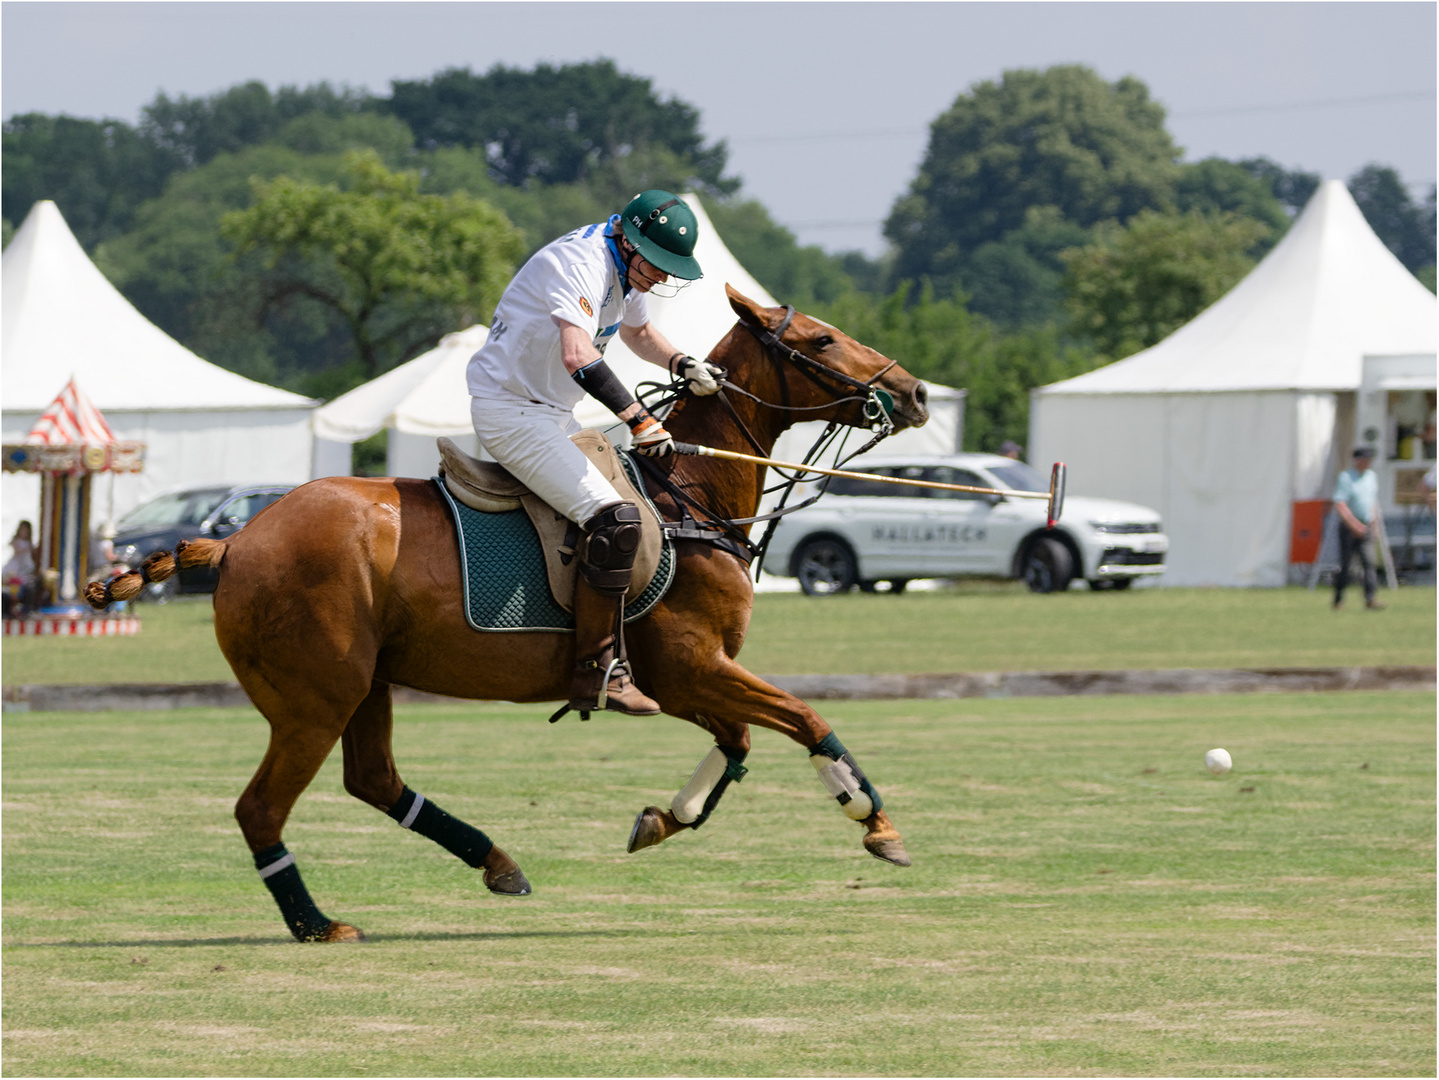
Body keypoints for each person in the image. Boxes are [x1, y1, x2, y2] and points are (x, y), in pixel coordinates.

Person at [466, 190, 726, 717]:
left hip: (553, 414)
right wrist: (640, 418)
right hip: (512, 411)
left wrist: (681, 363)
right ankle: (601, 668)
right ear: (629, 241)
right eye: (656, 265)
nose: (660, 277)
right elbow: (577, 352)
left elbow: (637, 331)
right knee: (615, 519)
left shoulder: (625, 266)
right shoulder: (580, 262)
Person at [1332, 447, 1384, 610]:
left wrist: (1373, 525)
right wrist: (1354, 525)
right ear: (1357, 460)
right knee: (1346, 565)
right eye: (1365, 460)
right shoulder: (1346, 477)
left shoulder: (1371, 477)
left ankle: (1370, 598)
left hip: (1366, 524)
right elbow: (1341, 504)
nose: (1367, 463)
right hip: (1349, 527)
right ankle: (1338, 599)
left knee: (1369, 563)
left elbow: (1372, 502)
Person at [2, 520, 37, 617]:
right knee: (13, 588)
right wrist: (27, 548)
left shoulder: (30, 544)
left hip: (25, 570)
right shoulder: (17, 542)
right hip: (15, 569)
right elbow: (17, 550)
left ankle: (25, 609)